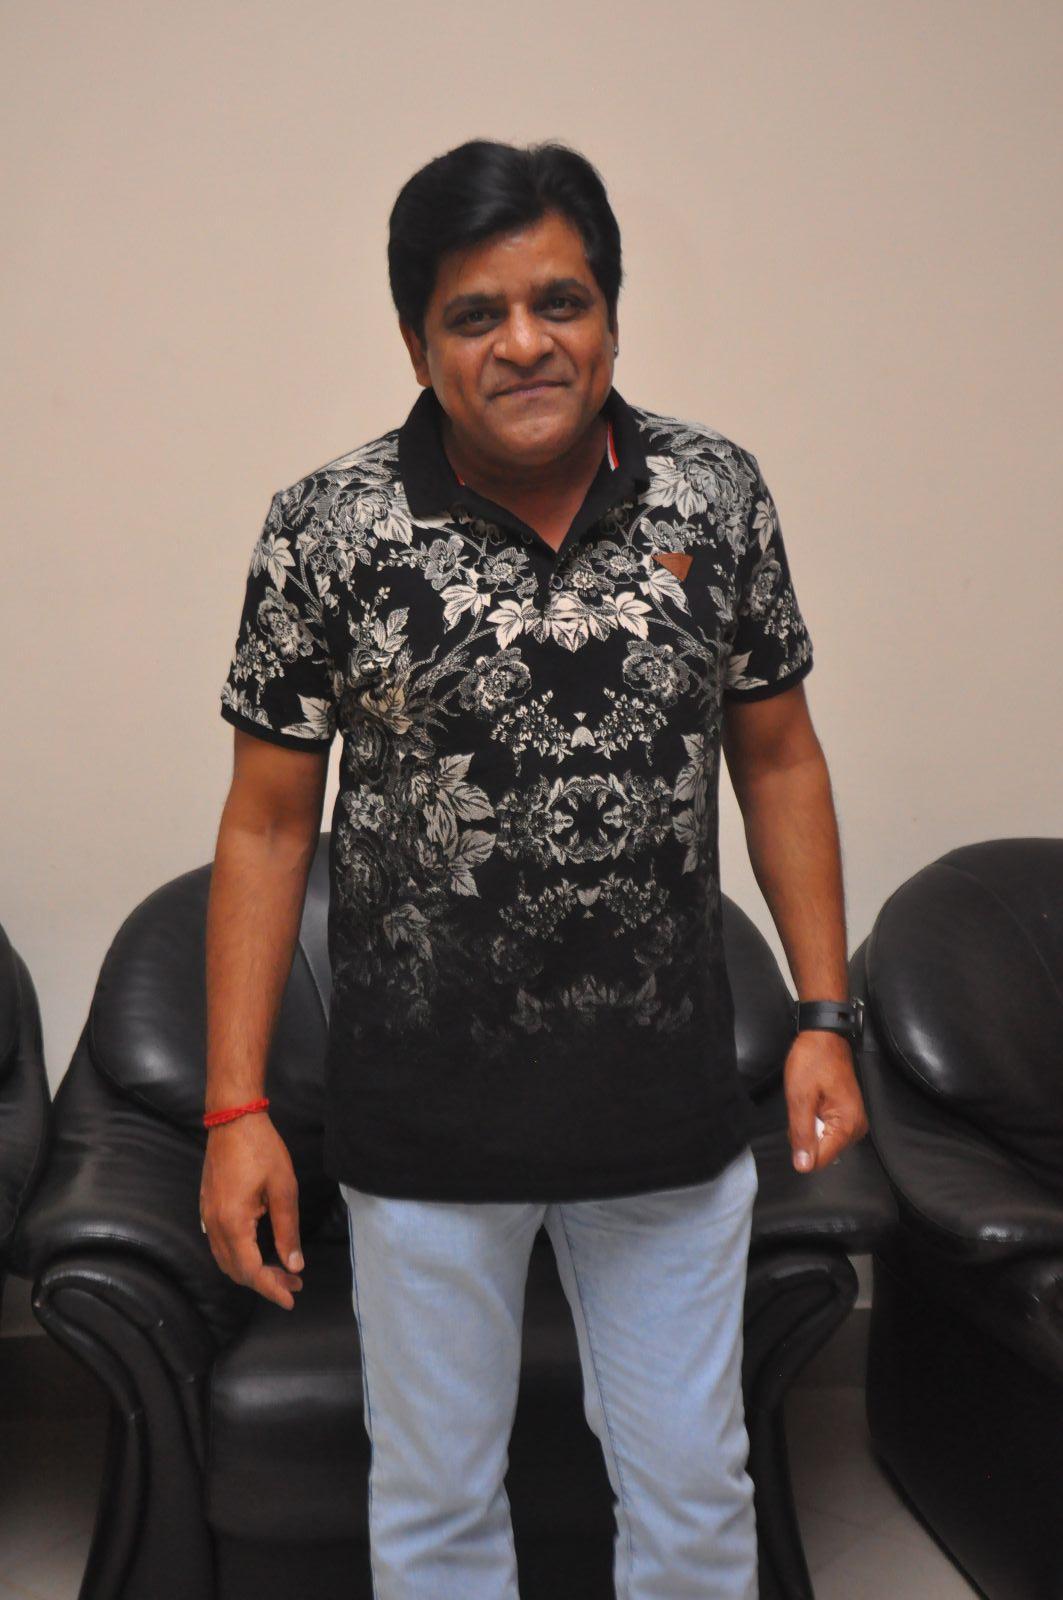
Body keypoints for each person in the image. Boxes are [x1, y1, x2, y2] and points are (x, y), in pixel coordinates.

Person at [200, 137, 869, 1600]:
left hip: (665, 1113)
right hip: (425, 1121)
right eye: (475, 314)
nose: (525, 343)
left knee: (695, 1499)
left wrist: (826, 1016)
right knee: (437, 1510)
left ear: (611, 315)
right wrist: (236, 1107)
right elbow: (264, 825)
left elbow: (779, 759)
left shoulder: (714, 495)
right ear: (416, 343)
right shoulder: (328, 527)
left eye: (560, 301)